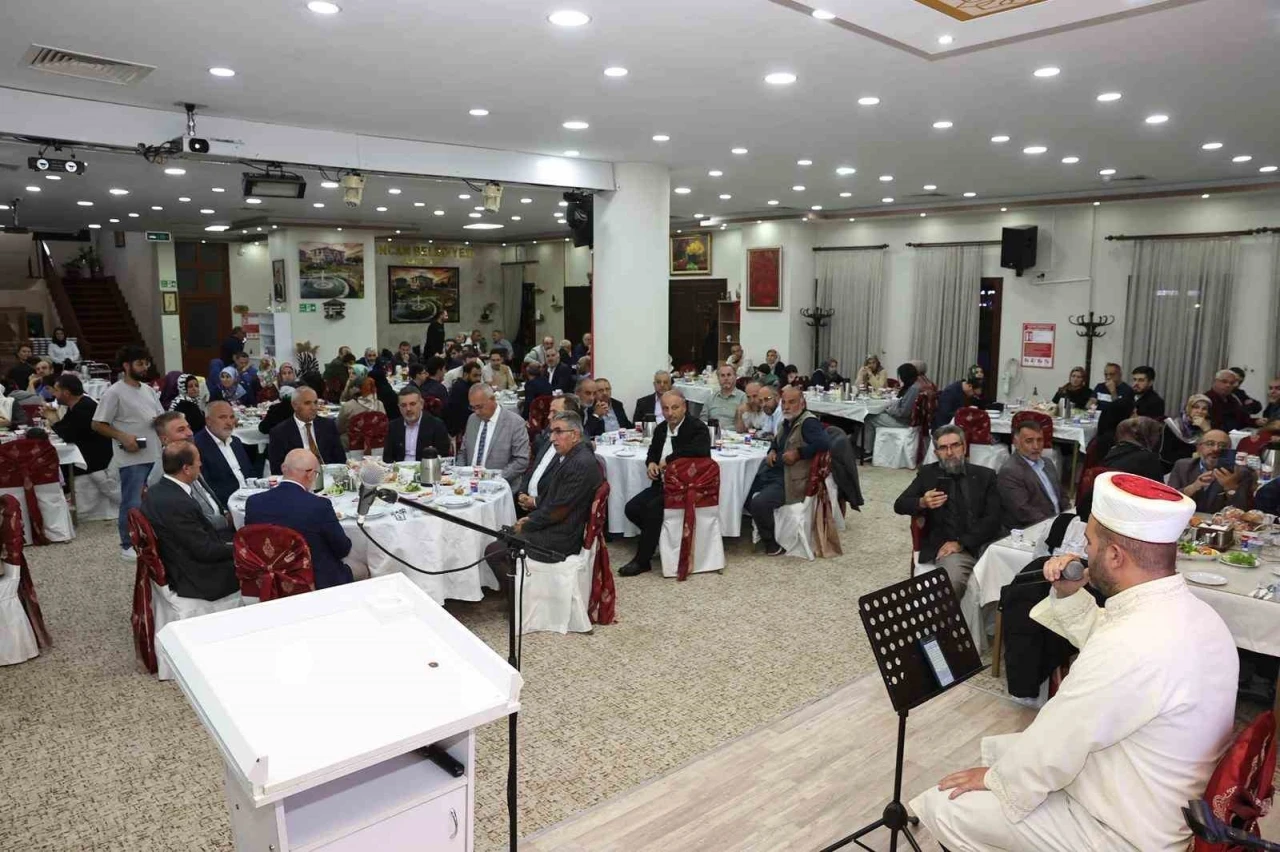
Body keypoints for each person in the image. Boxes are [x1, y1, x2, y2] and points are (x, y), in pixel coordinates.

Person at [911, 472, 1237, 852]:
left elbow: (1061, 739)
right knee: (1008, 753)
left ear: (1114, 556)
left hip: (1128, 828)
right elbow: (1110, 639)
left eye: (1090, 542)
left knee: (947, 804)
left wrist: (998, 781)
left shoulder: (1131, 643)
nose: (1084, 551)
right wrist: (1068, 595)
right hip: (1157, 795)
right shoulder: (1195, 614)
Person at [485, 411, 602, 585]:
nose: (552, 438)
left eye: (558, 432)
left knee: (494, 551)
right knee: (504, 536)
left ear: (575, 435)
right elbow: (557, 500)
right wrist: (531, 517)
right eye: (552, 432)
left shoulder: (578, 463)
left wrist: (528, 523)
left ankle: (519, 597)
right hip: (559, 525)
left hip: (561, 537)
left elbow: (559, 511)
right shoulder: (575, 454)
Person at [893, 425, 1003, 595]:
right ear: (936, 453)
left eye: (955, 445)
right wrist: (922, 502)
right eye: (943, 448)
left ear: (964, 448)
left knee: (1006, 581)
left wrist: (962, 542)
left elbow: (993, 518)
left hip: (985, 544)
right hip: (949, 548)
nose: (950, 452)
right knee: (952, 583)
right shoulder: (928, 474)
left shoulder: (985, 476)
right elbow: (899, 505)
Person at [619, 390, 711, 576]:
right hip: (663, 485)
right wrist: (651, 463)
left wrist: (669, 460)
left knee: (653, 509)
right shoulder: (661, 428)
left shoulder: (697, 428)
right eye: (666, 408)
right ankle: (658, 539)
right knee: (632, 508)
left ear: (684, 407)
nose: (670, 413)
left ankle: (642, 560)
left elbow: (698, 451)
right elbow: (652, 452)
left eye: (674, 408)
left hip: (687, 487)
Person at [141, 441, 238, 600]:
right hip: (196, 577)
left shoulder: (156, 490)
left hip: (180, 558)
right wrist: (241, 548)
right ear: (186, 469)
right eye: (198, 460)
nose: (200, 464)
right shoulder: (179, 503)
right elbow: (204, 551)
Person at [244, 448, 353, 589]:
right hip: (314, 581)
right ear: (310, 475)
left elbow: (251, 542)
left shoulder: (253, 503)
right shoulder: (319, 505)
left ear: (283, 468)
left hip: (271, 579)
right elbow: (343, 549)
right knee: (364, 567)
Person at [93, 345, 164, 559]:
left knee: (154, 501)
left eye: (146, 363)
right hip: (132, 456)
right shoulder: (114, 392)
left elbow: (160, 417)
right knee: (132, 501)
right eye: (140, 364)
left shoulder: (148, 390)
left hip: (155, 453)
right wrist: (122, 436)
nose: (144, 367)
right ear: (126, 365)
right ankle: (127, 544)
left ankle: (151, 539)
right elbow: (97, 424)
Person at [745, 386, 833, 556]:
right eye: (784, 402)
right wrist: (772, 450)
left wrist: (799, 453)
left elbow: (824, 444)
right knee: (744, 491)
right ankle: (765, 527)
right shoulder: (787, 422)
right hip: (776, 472)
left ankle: (771, 544)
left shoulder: (808, 423)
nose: (786, 406)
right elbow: (776, 442)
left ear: (802, 403)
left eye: (791, 402)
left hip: (792, 479)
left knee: (759, 503)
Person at [44, 373, 118, 515]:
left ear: (66, 393)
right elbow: (65, 426)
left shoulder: (85, 407)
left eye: (56, 390)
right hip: (89, 453)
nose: (54, 394)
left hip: (97, 458)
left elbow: (68, 435)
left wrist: (53, 419)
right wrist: (55, 420)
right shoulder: (77, 405)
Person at [1076, 416, 1166, 520]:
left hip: (1094, 511)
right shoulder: (1149, 460)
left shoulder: (1111, 451)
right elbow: (1160, 498)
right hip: (1126, 517)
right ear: (1149, 436)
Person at [517, 395, 584, 515]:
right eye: (549, 412)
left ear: (570, 416)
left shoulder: (576, 447)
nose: (548, 417)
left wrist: (535, 502)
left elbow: (563, 495)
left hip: (547, 512)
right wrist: (522, 492)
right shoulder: (550, 435)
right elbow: (534, 466)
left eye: (554, 412)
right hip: (526, 503)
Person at [998, 419, 1068, 530]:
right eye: (1029, 441)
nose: (1036, 446)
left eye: (1039, 440)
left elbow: (1062, 495)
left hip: (1057, 523)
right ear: (1016, 443)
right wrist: (1055, 526)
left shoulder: (1048, 463)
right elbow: (1023, 511)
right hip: (1031, 530)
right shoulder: (1010, 471)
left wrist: (1069, 517)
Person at [458, 383, 530, 487]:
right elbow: (463, 452)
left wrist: (496, 478)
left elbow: (521, 460)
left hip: (499, 485)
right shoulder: (472, 419)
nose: (476, 412)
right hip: (469, 483)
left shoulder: (515, 423)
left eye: (479, 407)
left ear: (492, 399)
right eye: (473, 407)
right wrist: (461, 474)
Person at [1168, 429, 1256, 512]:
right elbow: (1167, 500)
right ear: (1198, 448)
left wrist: (1230, 488)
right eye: (1210, 444)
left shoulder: (1241, 473)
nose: (1216, 449)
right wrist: (1193, 487)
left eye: (1223, 445)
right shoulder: (1182, 466)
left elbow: (1244, 511)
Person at [267, 386, 345, 474]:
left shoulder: (328, 425)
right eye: (307, 403)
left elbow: (340, 459)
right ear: (295, 405)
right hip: (298, 478)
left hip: (328, 475)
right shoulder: (279, 432)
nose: (314, 407)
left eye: (315, 402)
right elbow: (277, 470)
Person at [195, 400, 256, 508]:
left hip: (249, 498)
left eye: (232, 417)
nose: (229, 422)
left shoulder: (236, 441)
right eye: (222, 417)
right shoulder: (197, 446)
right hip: (225, 506)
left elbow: (249, 472)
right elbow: (205, 489)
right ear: (208, 421)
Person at [862, 363, 922, 457]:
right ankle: (869, 447)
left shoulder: (913, 389)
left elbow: (903, 413)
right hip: (906, 419)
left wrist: (889, 410)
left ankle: (867, 450)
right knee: (877, 413)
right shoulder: (915, 386)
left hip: (903, 422)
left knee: (869, 418)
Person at [382, 385, 451, 463]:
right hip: (400, 469)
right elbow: (387, 458)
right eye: (403, 405)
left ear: (421, 404)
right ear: (399, 407)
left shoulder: (436, 425)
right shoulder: (394, 426)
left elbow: (443, 457)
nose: (408, 409)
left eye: (412, 404)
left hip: (426, 468)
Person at [337, 377, 385, 447]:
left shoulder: (348, 406)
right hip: (375, 443)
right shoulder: (379, 404)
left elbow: (339, 428)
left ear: (355, 389)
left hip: (353, 444)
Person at [445, 360, 482, 435]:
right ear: (466, 374)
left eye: (480, 375)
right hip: (460, 429)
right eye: (475, 375)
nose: (478, 379)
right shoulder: (461, 389)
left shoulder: (466, 386)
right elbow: (465, 412)